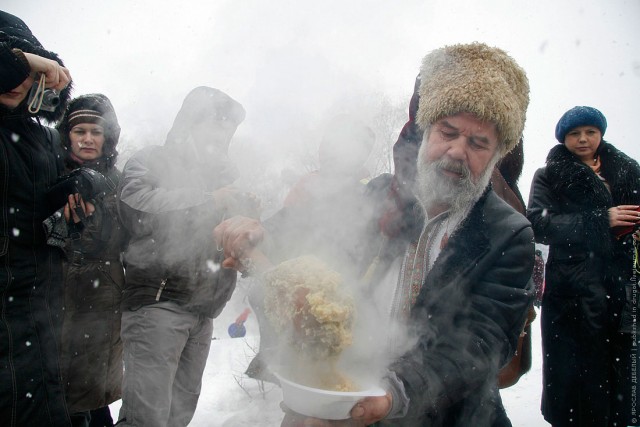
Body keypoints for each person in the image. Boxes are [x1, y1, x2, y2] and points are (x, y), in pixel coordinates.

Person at [215, 42, 535, 426]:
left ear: (498, 153)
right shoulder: (381, 193)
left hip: (440, 414)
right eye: (447, 132)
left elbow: (478, 344)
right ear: (425, 130)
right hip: (334, 391)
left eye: (477, 142)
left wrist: (394, 391)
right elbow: (314, 228)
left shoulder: (508, 233)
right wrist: (260, 234)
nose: (456, 151)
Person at [116, 86, 258, 427]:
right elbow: (135, 204)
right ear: (190, 123)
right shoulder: (152, 160)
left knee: (178, 419)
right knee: (145, 420)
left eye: (228, 127)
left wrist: (250, 241)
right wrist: (209, 200)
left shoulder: (227, 179)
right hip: (157, 304)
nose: (221, 133)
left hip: (204, 312)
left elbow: (234, 243)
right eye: (215, 123)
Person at [527, 106, 640, 426]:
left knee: (622, 373)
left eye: (590, 131)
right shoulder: (548, 175)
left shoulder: (628, 170)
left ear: (601, 133)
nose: (582, 139)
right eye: (574, 134)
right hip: (572, 288)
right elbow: (538, 223)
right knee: (575, 378)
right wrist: (601, 220)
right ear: (563, 138)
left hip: (622, 284)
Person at [0, 11, 73, 427]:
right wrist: (21, 61)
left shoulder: (44, 137)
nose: (17, 80)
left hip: (38, 318)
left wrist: (75, 206)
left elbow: (54, 235)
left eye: (27, 70)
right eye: (11, 64)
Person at [52, 94, 128, 427]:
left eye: (95, 132)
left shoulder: (120, 183)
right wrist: (64, 223)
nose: (87, 139)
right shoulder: (49, 174)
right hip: (53, 296)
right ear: (66, 134)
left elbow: (132, 238)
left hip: (103, 299)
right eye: (79, 130)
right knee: (54, 393)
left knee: (93, 395)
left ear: (107, 137)